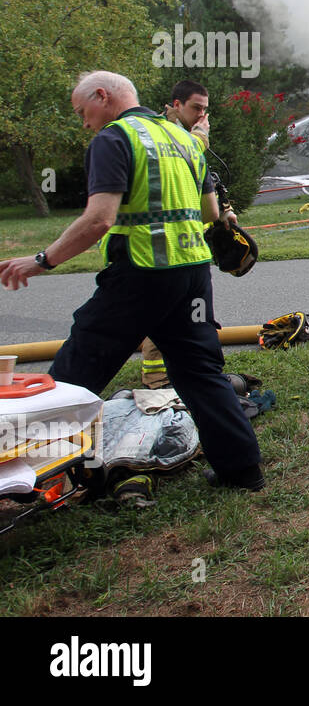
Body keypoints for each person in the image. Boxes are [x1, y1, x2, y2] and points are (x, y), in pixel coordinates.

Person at [0, 71, 264, 491]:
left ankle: (26, 477)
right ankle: (242, 470)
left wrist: (42, 261)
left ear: (102, 96)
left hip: (140, 274)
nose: (84, 122)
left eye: (82, 111)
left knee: (76, 370)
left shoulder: (113, 139)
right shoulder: (184, 139)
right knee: (200, 372)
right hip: (192, 273)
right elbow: (210, 213)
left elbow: (99, 219)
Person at [140, 80, 236, 390]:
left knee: (195, 316)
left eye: (206, 110)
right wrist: (199, 138)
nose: (202, 116)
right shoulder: (167, 134)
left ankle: (197, 372)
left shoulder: (190, 136)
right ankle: (157, 377)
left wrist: (225, 207)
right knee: (163, 314)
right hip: (164, 246)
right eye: (196, 108)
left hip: (191, 242)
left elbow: (203, 176)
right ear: (175, 104)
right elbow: (188, 158)